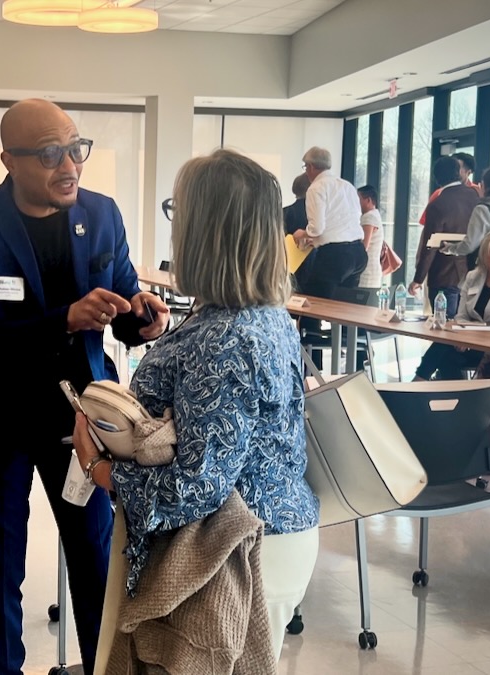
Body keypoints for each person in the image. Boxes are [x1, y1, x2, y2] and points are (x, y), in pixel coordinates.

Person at [0, 98, 169, 675]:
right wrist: (63, 319)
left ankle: (103, 668)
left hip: (87, 424)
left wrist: (141, 317)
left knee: (97, 560)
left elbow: (117, 304)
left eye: (75, 149)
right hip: (1, 419)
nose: (68, 165)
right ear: (8, 160)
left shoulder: (103, 213)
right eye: (49, 154)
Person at [72, 149, 319, 664]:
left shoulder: (226, 336)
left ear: (205, 228)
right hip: (261, 539)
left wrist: (102, 471)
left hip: (237, 554)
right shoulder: (256, 314)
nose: (173, 224)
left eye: (177, 210)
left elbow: (199, 484)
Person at [413, 231, 490, 381]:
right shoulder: (473, 276)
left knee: (443, 352)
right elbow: (461, 316)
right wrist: (464, 338)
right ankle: (460, 395)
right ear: (484, 254)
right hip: (470, 344)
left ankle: (419, 382)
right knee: (444, 349)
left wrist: (473, 337)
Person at [292, 146, 366, 335]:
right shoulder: (347, 185)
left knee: (309, 310)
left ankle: (311, 361)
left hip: (335, 256)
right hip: (358, 253)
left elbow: (317, 227)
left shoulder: (316, 188)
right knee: (346, 313)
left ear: (310, 166)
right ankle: (352, 356)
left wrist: (301, 234)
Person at [410, 156, 476, 318]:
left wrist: (418, 279)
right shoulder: (476, 197)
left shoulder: (438, 204)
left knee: (443, 326)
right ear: (458, 173)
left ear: (437, 178)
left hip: (443, 274)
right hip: (471, 274)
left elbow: (430, 245)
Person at [356, 184, 383, 288]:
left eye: (359, 199)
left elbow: (364, 246)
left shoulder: (369, 217)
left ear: (368, 200)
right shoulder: (375, 214)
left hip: (367, 271)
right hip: (373, 268)